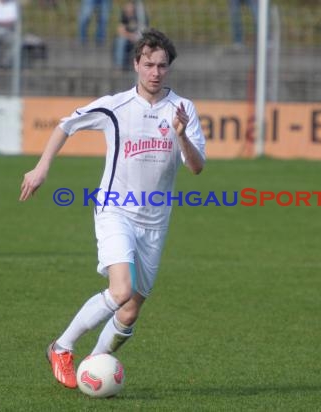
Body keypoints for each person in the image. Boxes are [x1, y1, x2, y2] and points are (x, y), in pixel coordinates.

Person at [19, 28, 206, 389]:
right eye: (148, 64)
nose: (155, 72)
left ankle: (94, 365)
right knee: (121, 290)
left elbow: (196, 167)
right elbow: (65, 126)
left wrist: (181, 133)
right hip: (115, 210)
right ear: (136, 64)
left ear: (169, 69)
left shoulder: (183, 109)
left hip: (155, 220)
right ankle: (61, 346)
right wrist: (42, 167)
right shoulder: (115, 106)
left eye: (162, 66)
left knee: (131, 308)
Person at [114, 0, 148, 70]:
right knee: (121, 41)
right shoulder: (125, 13)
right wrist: (130, 36)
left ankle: (143, 65)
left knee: (146, 42)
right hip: (128, 38)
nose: (129, 8)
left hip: (139, 37)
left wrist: (137, 37)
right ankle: (119, 66)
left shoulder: (141, 15)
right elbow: (120, 30)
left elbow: (145, 30)